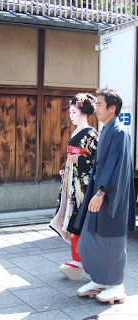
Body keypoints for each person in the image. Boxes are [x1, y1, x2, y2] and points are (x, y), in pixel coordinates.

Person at [75, 88, 136, 304]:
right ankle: (100, 280)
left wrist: (101, 192)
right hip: (100, 192)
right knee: (90, 238)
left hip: (111, 196)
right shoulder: (107, 130)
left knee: (111, 242)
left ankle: (117, 285)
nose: (96, 108)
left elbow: (114, 165)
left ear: (112, 108)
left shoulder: (119, 132)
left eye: (100, 105)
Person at [49, 93, 99, 280]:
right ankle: (76, 260)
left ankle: (80, 260)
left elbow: (97, 160)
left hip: (82, 185)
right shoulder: (76, 132)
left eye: (74, 112)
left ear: (84, 113)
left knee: (78, 217)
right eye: (70, 112)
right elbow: (72, 158)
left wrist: (80, 160)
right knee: (71, 216)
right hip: (73, 180)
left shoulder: (91, 134)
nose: (71, 115)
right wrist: (65, 168)